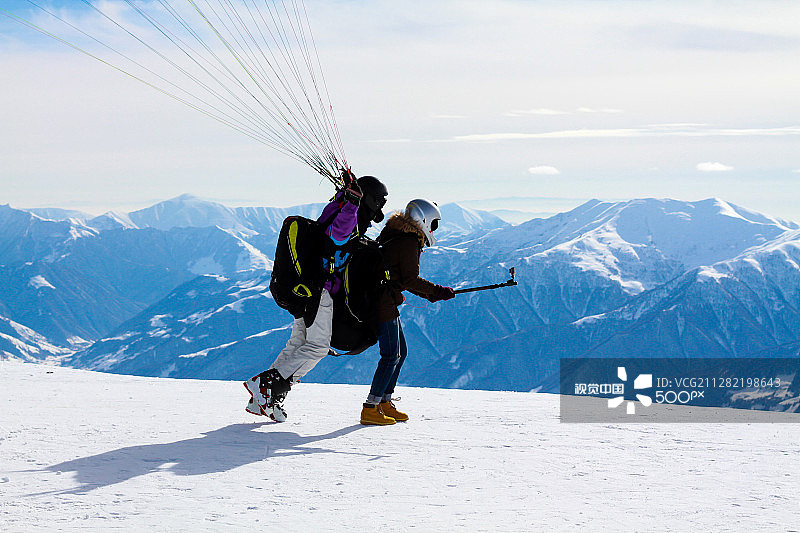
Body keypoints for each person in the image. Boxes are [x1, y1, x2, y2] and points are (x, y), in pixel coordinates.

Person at [245, 175, 388, 421]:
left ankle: (264, 398)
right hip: (318, 291)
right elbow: (338, 236)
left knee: (298, 344)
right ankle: (265, 385)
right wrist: (352, 203)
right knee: (317, 347)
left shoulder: (338, 207)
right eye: (380, 202)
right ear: (371, 201)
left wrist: (346, 196)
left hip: (305, 289)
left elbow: (332, 223)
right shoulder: (348, 216)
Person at [360, 199, 455, 425]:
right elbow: (409, 278)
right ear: (423, 219)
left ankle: (384, 401)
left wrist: (430, 294)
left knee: (400, 353)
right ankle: (371, 407)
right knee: (391, 355)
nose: (433, 229)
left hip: (383, 300)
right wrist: (437, 291)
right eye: (433, 223)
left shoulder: (396, 234)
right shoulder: (409, 241)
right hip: (382, 303)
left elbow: (400, 276)